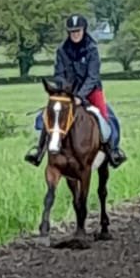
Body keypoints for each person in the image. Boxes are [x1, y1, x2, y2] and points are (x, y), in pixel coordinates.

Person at [26, 13, 127, 169]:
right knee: (47, 116)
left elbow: (93, 76)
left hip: (92, 90)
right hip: (68, 92)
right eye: (72, 31)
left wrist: (80, 96)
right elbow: (59, 74)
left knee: (105, 119)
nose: (75, 34)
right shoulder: (62, 50)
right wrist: (66, 91)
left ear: (84, 30)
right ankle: (39, 151)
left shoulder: (92, 49)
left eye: (78, 31)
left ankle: (113, 151)